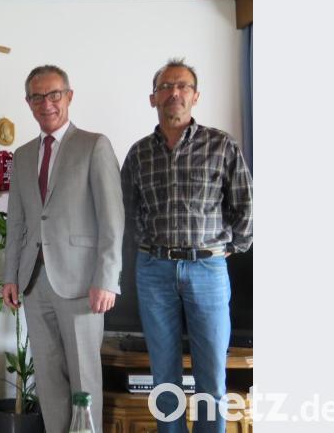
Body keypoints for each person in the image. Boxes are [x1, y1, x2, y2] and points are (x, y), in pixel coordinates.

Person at [121, 58, 253, 433]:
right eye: (165, 86)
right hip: (154, 272)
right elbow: (126, 212)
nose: (173, 93)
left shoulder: (221, 145)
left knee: (212, 375)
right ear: (152, 98)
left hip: (208, 270)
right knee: (164, 377)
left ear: (195, 96)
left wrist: (231, 247)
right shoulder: (138, 153)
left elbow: (246, 205)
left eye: (182, 86)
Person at [1, 65, 124, 432]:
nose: (47, 103)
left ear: (69, 97)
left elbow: (112, 218)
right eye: (37, 97)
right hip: (34, 284)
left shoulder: (94, 145)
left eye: (54, 95)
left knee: (84, 382)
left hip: (83, 284)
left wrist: (107, 279)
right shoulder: (22, 156)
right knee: (50, 385)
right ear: (28, 103)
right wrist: (10, 276)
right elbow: (18, 223)